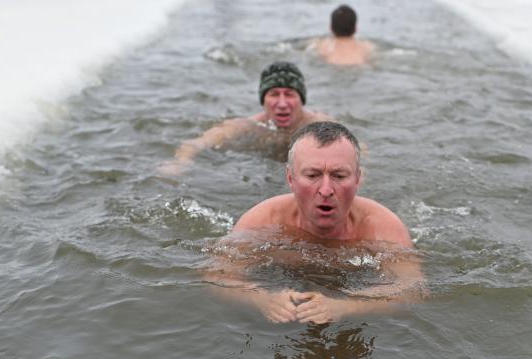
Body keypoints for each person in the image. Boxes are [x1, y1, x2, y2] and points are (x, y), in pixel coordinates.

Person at [205, 121, 423, 324]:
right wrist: (261, 299)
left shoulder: (381, 228)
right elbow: (217, 275)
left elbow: (413, 290)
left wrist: (347, 306)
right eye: (313, 175)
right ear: (290, 178)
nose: (326, 190)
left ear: (357, 179)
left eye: (339, 175)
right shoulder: (262, 221)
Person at [159, 62, 329, 175]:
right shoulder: (247, 125)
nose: (282, 103)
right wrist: (180, 162)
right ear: (263, 100)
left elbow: (352, 147)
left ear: (301, 99)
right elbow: (198, 142)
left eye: (289, 94)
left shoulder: (318, 124)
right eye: (274, 94)